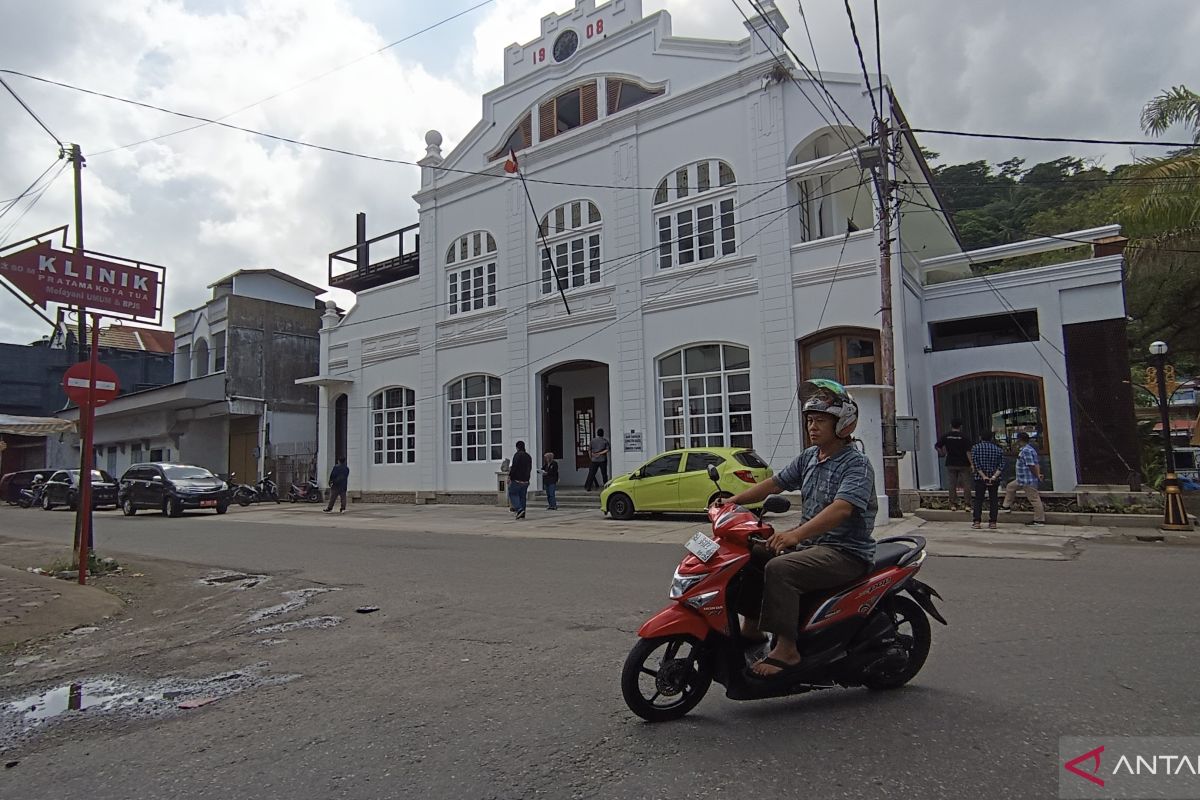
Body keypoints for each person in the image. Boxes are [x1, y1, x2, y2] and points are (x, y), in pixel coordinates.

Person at [719, 379, 877, 681]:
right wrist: (733, 502)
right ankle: (752, 630)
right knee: (752, 552)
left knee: (780, 569)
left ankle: (787, 649)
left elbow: (842, 508)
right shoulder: (810, 458)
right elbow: (776, 483)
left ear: (842, 424)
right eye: (809, 420)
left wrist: (795, 535)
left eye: (820, 421)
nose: (812, 427)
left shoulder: (856, 464)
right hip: (812, 547)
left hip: (845, 552)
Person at [1002, 432, 1046, 526]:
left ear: (1019, 440)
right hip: (1021, 479)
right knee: (1010, 487)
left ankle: (1039, 520)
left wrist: (1036, 475)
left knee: (1034, 499)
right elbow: (1036, 463)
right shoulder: (1029, 449)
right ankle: (1006, 506)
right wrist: (1038, 474)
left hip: (1028, 479)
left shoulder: (1026, 450)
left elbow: (1031, 465)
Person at [967, 431, 1005, 529]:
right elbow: (1001, 466)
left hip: (980, 478)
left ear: (980, 437)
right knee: (993, 499)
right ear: (991, 438)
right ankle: (993, 522)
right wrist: (993, 477)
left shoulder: (975, 448)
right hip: (994, 478)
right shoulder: (998, 449)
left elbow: (976, 464)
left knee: (979, 500)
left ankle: (977, 522)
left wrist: (983, 476)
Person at [935, 418, 972, 511]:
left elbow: (937, 445)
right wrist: (972, 464)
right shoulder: (964, 437)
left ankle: (953, 504)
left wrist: (942, 453)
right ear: (961, 426)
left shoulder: (946, 436)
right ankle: (967, 505)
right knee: (966, 484)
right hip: (964, 463)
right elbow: (968, 452)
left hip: (951, 463)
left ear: (950, 426)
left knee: (952, 484)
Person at [508, 441, 533, 520]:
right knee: (522, 497)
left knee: (512, 494)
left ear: (517, 447)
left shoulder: (517, 455)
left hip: (517, 479)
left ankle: (519, 509)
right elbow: (530, 468)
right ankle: (523, 513)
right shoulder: (528, 456)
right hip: (525, 480)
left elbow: (514, 467)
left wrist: (510, 477)